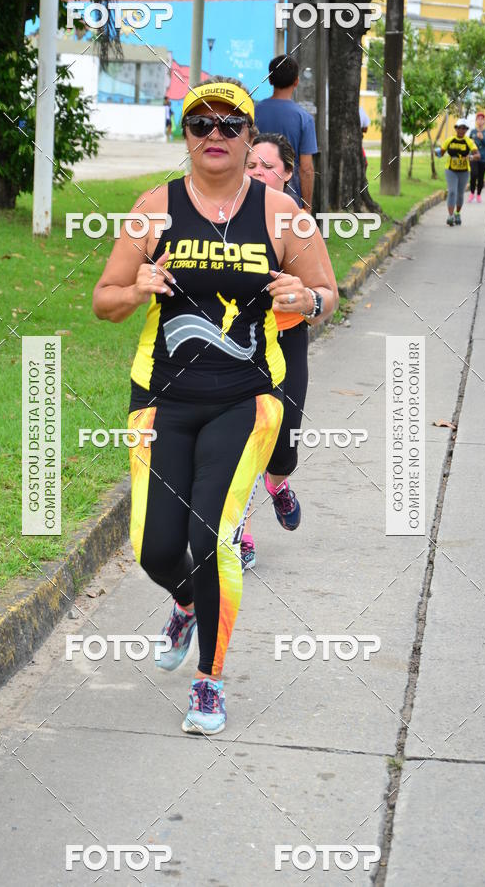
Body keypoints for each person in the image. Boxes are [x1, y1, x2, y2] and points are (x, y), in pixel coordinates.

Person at [92, 76, 337, 736]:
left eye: (231, 125)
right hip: (160, 397)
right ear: (187, 134)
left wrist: (307, 299)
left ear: (250, 137)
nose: (216, 135)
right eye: (202, 123)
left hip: (246, 398)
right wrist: (137, 287)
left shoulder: (282, 214)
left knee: (211, 537)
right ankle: (184, 600)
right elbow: (104, 300)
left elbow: (326, 292)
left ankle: (209, 681)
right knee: (153, 548)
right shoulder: (155, 208)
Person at [242, 133, 338, 570]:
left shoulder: (298, 224)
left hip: (287, 338)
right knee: (244, 438)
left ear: (286, 173)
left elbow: (326, 296)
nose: (258, 172)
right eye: (251, 165)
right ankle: (238, 533)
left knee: (284, 447)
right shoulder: (223, 219)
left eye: (267, 166)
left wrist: (305, 299)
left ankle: (278, 484)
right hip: (242, 342)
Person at [254, 54, 318, 210]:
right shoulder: (304, 119)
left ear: (270, 80)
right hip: (289, 194)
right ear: (296, 81)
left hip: (256, 190)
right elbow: (306, 169)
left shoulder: (253, 113)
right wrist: (307, 207)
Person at [436, 118, 480, 226]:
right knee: (452, 192)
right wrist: (437, 152)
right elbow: (441, 153)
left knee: (460, 194)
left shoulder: (469, 142)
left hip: (464, 171)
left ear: (466, 130)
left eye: (464, 128)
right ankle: (450, 216)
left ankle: (457, 213)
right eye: (459, 128)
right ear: (456, 128)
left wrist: (470, 157)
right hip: (450, 170)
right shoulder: (450, 140)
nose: (461, 130)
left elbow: (478, 155)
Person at [468, 112, 485, 203]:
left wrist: (482, 138)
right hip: (474, 157)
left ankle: (478, 194)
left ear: (484, 121)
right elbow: (468, 143)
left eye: (482, 119)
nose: (480, 121)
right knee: (473, 174)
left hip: (483, 158)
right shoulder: (473, 132)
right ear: (476, 121)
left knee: (481, 177)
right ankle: (471, 193)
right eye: (478, 119)